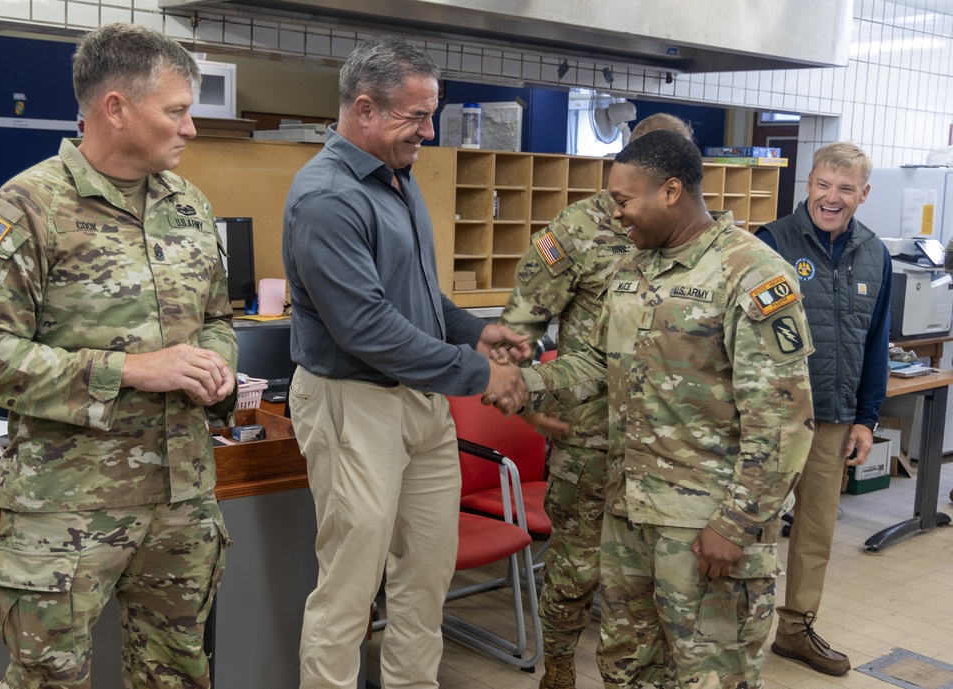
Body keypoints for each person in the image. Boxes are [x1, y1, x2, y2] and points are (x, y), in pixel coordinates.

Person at [0, 23, 238, 688]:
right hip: (67, 508)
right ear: (117, 108)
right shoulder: (27, 207)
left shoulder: (190, 207)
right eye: (177, 111)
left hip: (181, 499)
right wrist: (128, 370)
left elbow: (219, 317)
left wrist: (216, 360)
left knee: (177, 674)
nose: (191, 128)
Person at [496, 129, 815, 688]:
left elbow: (783, 421)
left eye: (623, 201)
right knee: (627, 670)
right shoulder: (633, 270)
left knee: (711, 675)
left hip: (703, 526)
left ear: (671, 191)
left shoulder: (751, 273)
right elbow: (594, 366)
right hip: (628, 514)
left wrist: (736, 525)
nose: (615, 215)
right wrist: (519, 383)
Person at [282, 35, 530, 689]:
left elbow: (414, 296)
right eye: (416, 116)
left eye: (431, 112)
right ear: (364, 109)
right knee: (349, 590)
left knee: (426, 578)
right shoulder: (327, 198)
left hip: (421, 401)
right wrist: (481, 376)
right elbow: (366, 326)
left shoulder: (397, 177)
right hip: (353, 403)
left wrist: (476, 332)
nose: (429, 129)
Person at [499, 113, 694, 689]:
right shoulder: (579, 228)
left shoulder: (701, 244)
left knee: (661, 572)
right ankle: (557, 664)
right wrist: (526, 404)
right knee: (577, 563)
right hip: (589, 433)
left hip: (668, 441)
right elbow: (521, 324)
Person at [755, 142, 891, 676]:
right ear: (807, 184)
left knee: (815, 532)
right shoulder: (771, 244)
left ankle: (794, 631)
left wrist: (867, 416)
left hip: (834, 418)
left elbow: (876, 340)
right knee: (754, 527)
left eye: (845, 188)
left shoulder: (875, 253)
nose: (831, 198)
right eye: (823, 185)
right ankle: (738, 629)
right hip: (772, 418)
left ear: (863, 193)